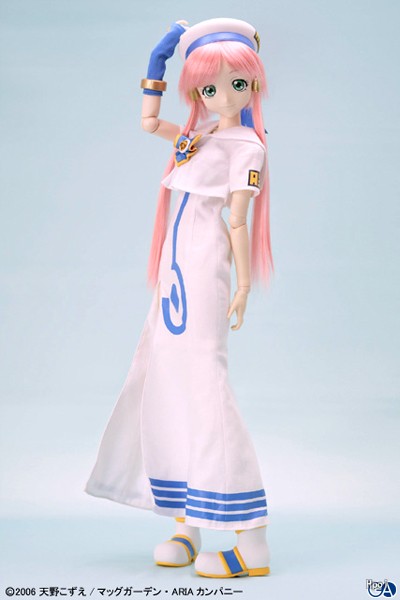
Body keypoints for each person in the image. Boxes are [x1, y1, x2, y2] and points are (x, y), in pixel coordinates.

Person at [85, 17, 273, 578]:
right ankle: (186, 520)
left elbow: (238, 220)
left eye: (236, 84)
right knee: (165, 378)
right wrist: (156, 66)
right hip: (175, 276)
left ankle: (252, 538)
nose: (224, 96)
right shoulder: (203, 137)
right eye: (210, 88)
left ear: (253, 84)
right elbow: (150, 124)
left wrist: (243, 284)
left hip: (206, 270)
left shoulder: (247, 146)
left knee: (206, 385)